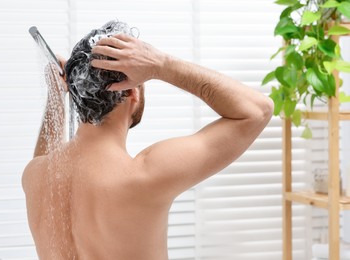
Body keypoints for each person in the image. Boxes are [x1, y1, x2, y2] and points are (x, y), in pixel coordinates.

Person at [22, 21, 273, 260]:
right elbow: (257, 110)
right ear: (133, 92)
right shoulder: (145, 175)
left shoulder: (36, 176)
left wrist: (56, 98)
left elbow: (48, 156)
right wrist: (159, 64)